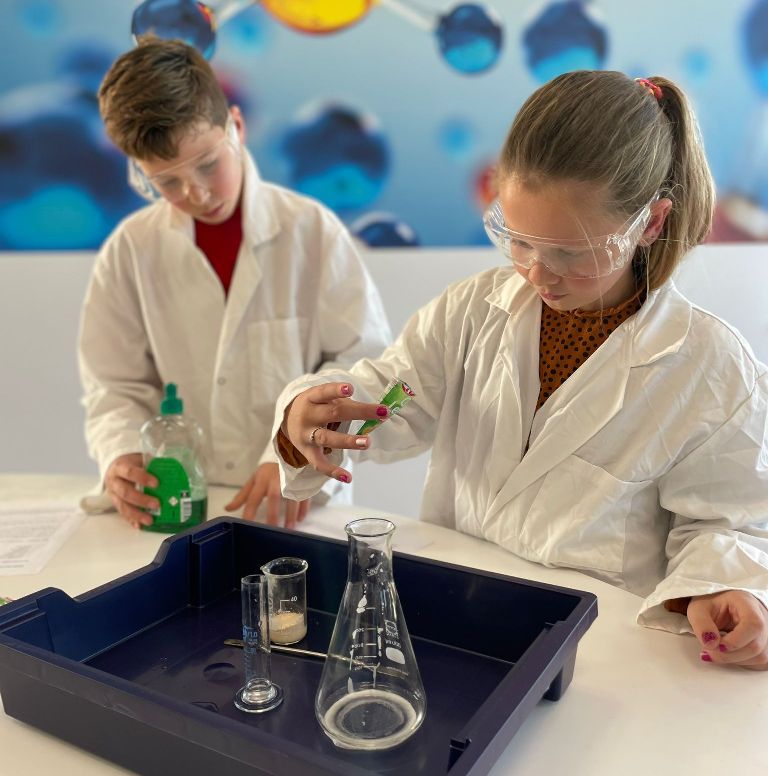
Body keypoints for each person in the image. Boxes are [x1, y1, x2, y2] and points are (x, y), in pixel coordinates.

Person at [274, 71, 768, 669]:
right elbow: (397, 395)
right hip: (455, 622)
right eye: (519, 240)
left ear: (651, 223)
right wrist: (317, 413)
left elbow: (726, 523)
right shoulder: (471, 312)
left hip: (596, 654)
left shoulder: (710, 367)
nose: (537, 273)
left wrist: (721, 587)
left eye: (570, 253)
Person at [78, 37, 391, 529]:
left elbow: (363, 362)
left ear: (237, 128)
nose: (197, 193)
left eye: (208, 164)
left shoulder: (312, 231)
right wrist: (120, 453)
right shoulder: (131, 249)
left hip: (299, 507)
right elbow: (114, 384)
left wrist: (290, 451)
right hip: (180, 508)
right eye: (168, 182)